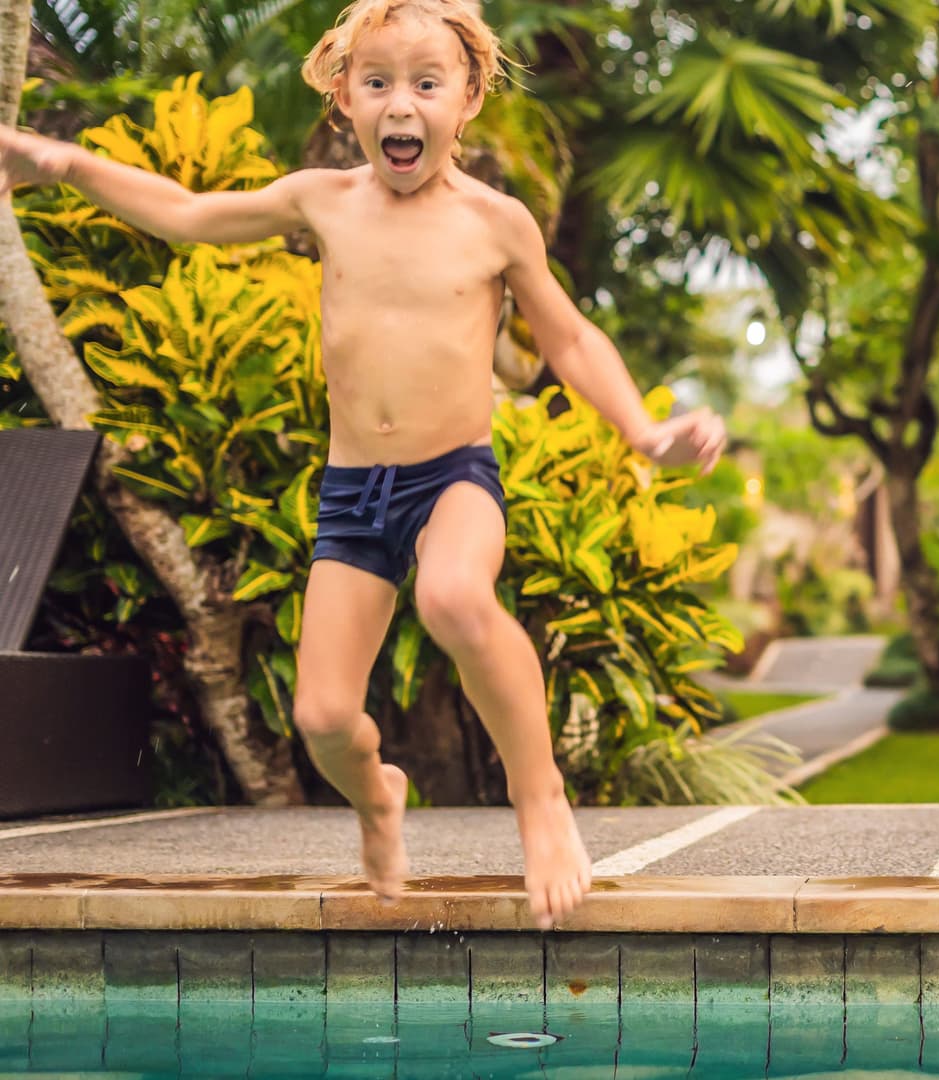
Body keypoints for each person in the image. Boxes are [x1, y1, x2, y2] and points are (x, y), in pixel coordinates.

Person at [0, 0, 727, 930]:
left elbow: (571, 338)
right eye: (379, 83)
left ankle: (539, 798)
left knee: (457, 599)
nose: (402, 104)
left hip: (453, 479)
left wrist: (642, 432)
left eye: (427, 84)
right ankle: (380, 798)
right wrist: (63, 162)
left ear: (467, 100)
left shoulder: (496, 224)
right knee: (322, 721)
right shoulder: (322, 201)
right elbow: (186, 215)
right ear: (345, 98)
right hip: (354, 498)